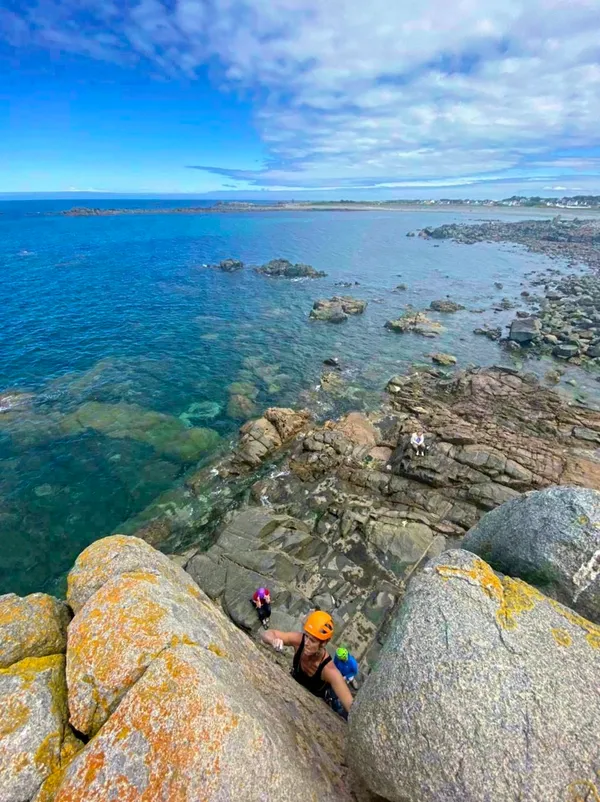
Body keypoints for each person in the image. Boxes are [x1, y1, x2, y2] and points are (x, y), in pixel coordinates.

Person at [261, 611, 353, 717]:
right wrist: (273, 641)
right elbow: (267, 634)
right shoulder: (299, 640)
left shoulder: (329, 670)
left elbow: (350, 706)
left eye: (312, 640)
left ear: (323, 643)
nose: (306, 643)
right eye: (307, 636)